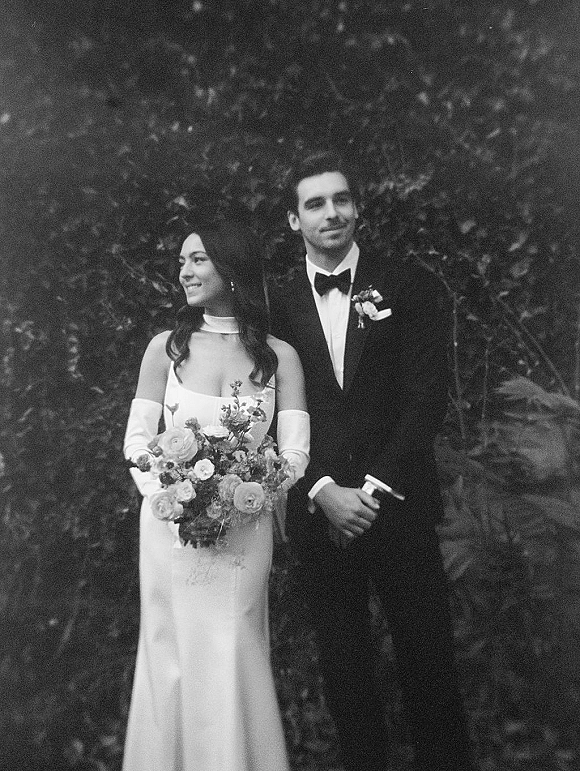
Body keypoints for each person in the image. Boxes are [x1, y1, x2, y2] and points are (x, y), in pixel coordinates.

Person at [269, 150, 472, 771]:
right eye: (315, 203)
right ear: (294, 219)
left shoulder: (409, 284)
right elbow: (267, 407)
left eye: (342, 199)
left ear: (357, 207)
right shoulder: (271, 302)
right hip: (319, 508)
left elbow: (425, 395)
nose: (332, 213)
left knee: (428, 662)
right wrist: (323, 487)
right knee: (345, 668)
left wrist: (377, 486)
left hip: (399, 502)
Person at [122, 218, 310, 771]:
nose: (185, 271)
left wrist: (244, 493)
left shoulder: (279, 357)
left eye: (199, 259)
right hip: (169, 528)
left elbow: (295, 452)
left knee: (235, 646)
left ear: (231, 267)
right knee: (170, 652)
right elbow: (138, 440)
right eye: (182, 261)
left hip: (244, 530)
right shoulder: (166, 349)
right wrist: (178, 498)